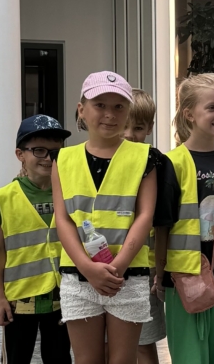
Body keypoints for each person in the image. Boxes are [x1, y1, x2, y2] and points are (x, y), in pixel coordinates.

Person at [52, 71, 158, 364]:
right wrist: (87, 267)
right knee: (86, 359)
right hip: (78, 275)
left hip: (127, 275)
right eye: (100, 105)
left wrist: (119, 265)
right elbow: (63, 219)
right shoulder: (63, 159)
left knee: (123, 360)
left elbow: (145, 215)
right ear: (81, 109)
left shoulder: (146, 157)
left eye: (119, 106)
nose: (110, 114)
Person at [156, 73, 214, 364]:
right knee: (190, 355)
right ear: (189, 114)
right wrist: (159, 273)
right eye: (212, 108)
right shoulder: (172, 162)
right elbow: (162, 224)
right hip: (187, 276)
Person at [0, 114, 73, 364]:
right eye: (39, 150)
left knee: (59, 357)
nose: (48, 158)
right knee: (17, 357)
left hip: (62, 297)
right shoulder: (5, 197)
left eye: (55, 152)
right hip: (19, 300)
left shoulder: (71, 192)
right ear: (20, 154)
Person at [124, 88, 167, 364]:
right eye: (124, 126)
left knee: (143, 342)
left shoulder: (158, 164)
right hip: (104, 264)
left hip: (145, 267)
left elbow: (162, 224)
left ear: (150, 128)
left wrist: (160, 272)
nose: (129, 134)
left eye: (138, 128)